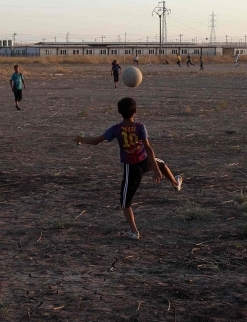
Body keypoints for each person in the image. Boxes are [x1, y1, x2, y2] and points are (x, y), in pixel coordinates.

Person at [76, 97, 183, 239]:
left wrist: (81, 139)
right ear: (136, 111)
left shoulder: (116, 129)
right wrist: (156, 169)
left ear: (119, 112)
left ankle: (134, 231)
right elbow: (148, 149)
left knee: (125, 202)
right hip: (144, 160)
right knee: (162, 164)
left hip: (131, 168)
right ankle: (175, 184)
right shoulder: (140, 127)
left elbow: (96, 141)